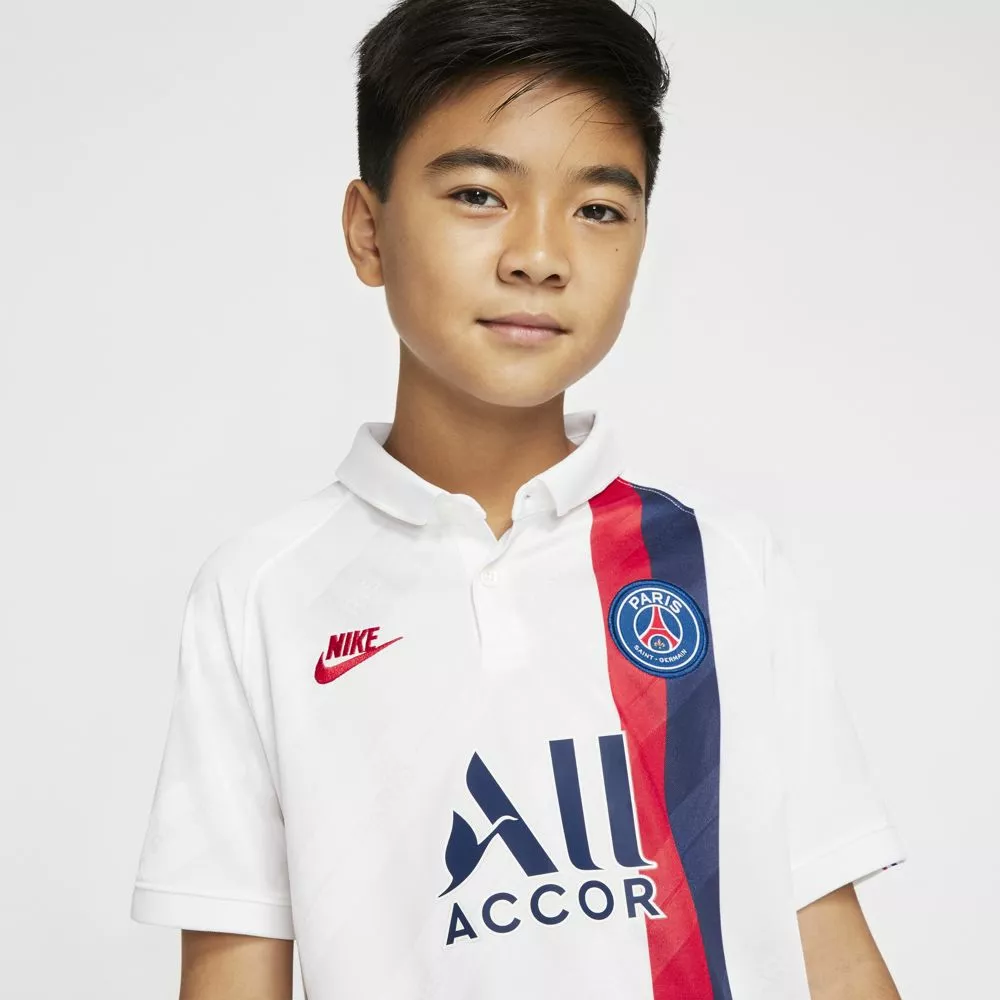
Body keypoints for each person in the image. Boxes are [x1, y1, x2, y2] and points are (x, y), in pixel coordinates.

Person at [129, 0, 907, 997]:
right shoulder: (262, 596)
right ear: (368, 232)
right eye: (478, 195)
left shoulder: (723, 566)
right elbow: (233, 978)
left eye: (598, 209)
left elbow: (828, 948)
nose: (539, 255)